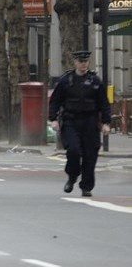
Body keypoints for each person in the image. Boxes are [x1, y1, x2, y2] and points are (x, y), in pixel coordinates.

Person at [48, 50, 112, 197]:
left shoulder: (95, 81)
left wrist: (106, 123)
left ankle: (86, 187)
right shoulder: (66, 80)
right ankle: (72, 176)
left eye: (85, 61)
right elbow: (55, 101)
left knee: (90, 155)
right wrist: (53, 119)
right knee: (74, 151)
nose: (83, 64)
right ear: (75, 62)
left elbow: (104, 103)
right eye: (80, 61)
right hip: (71, 121)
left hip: (90, 122)